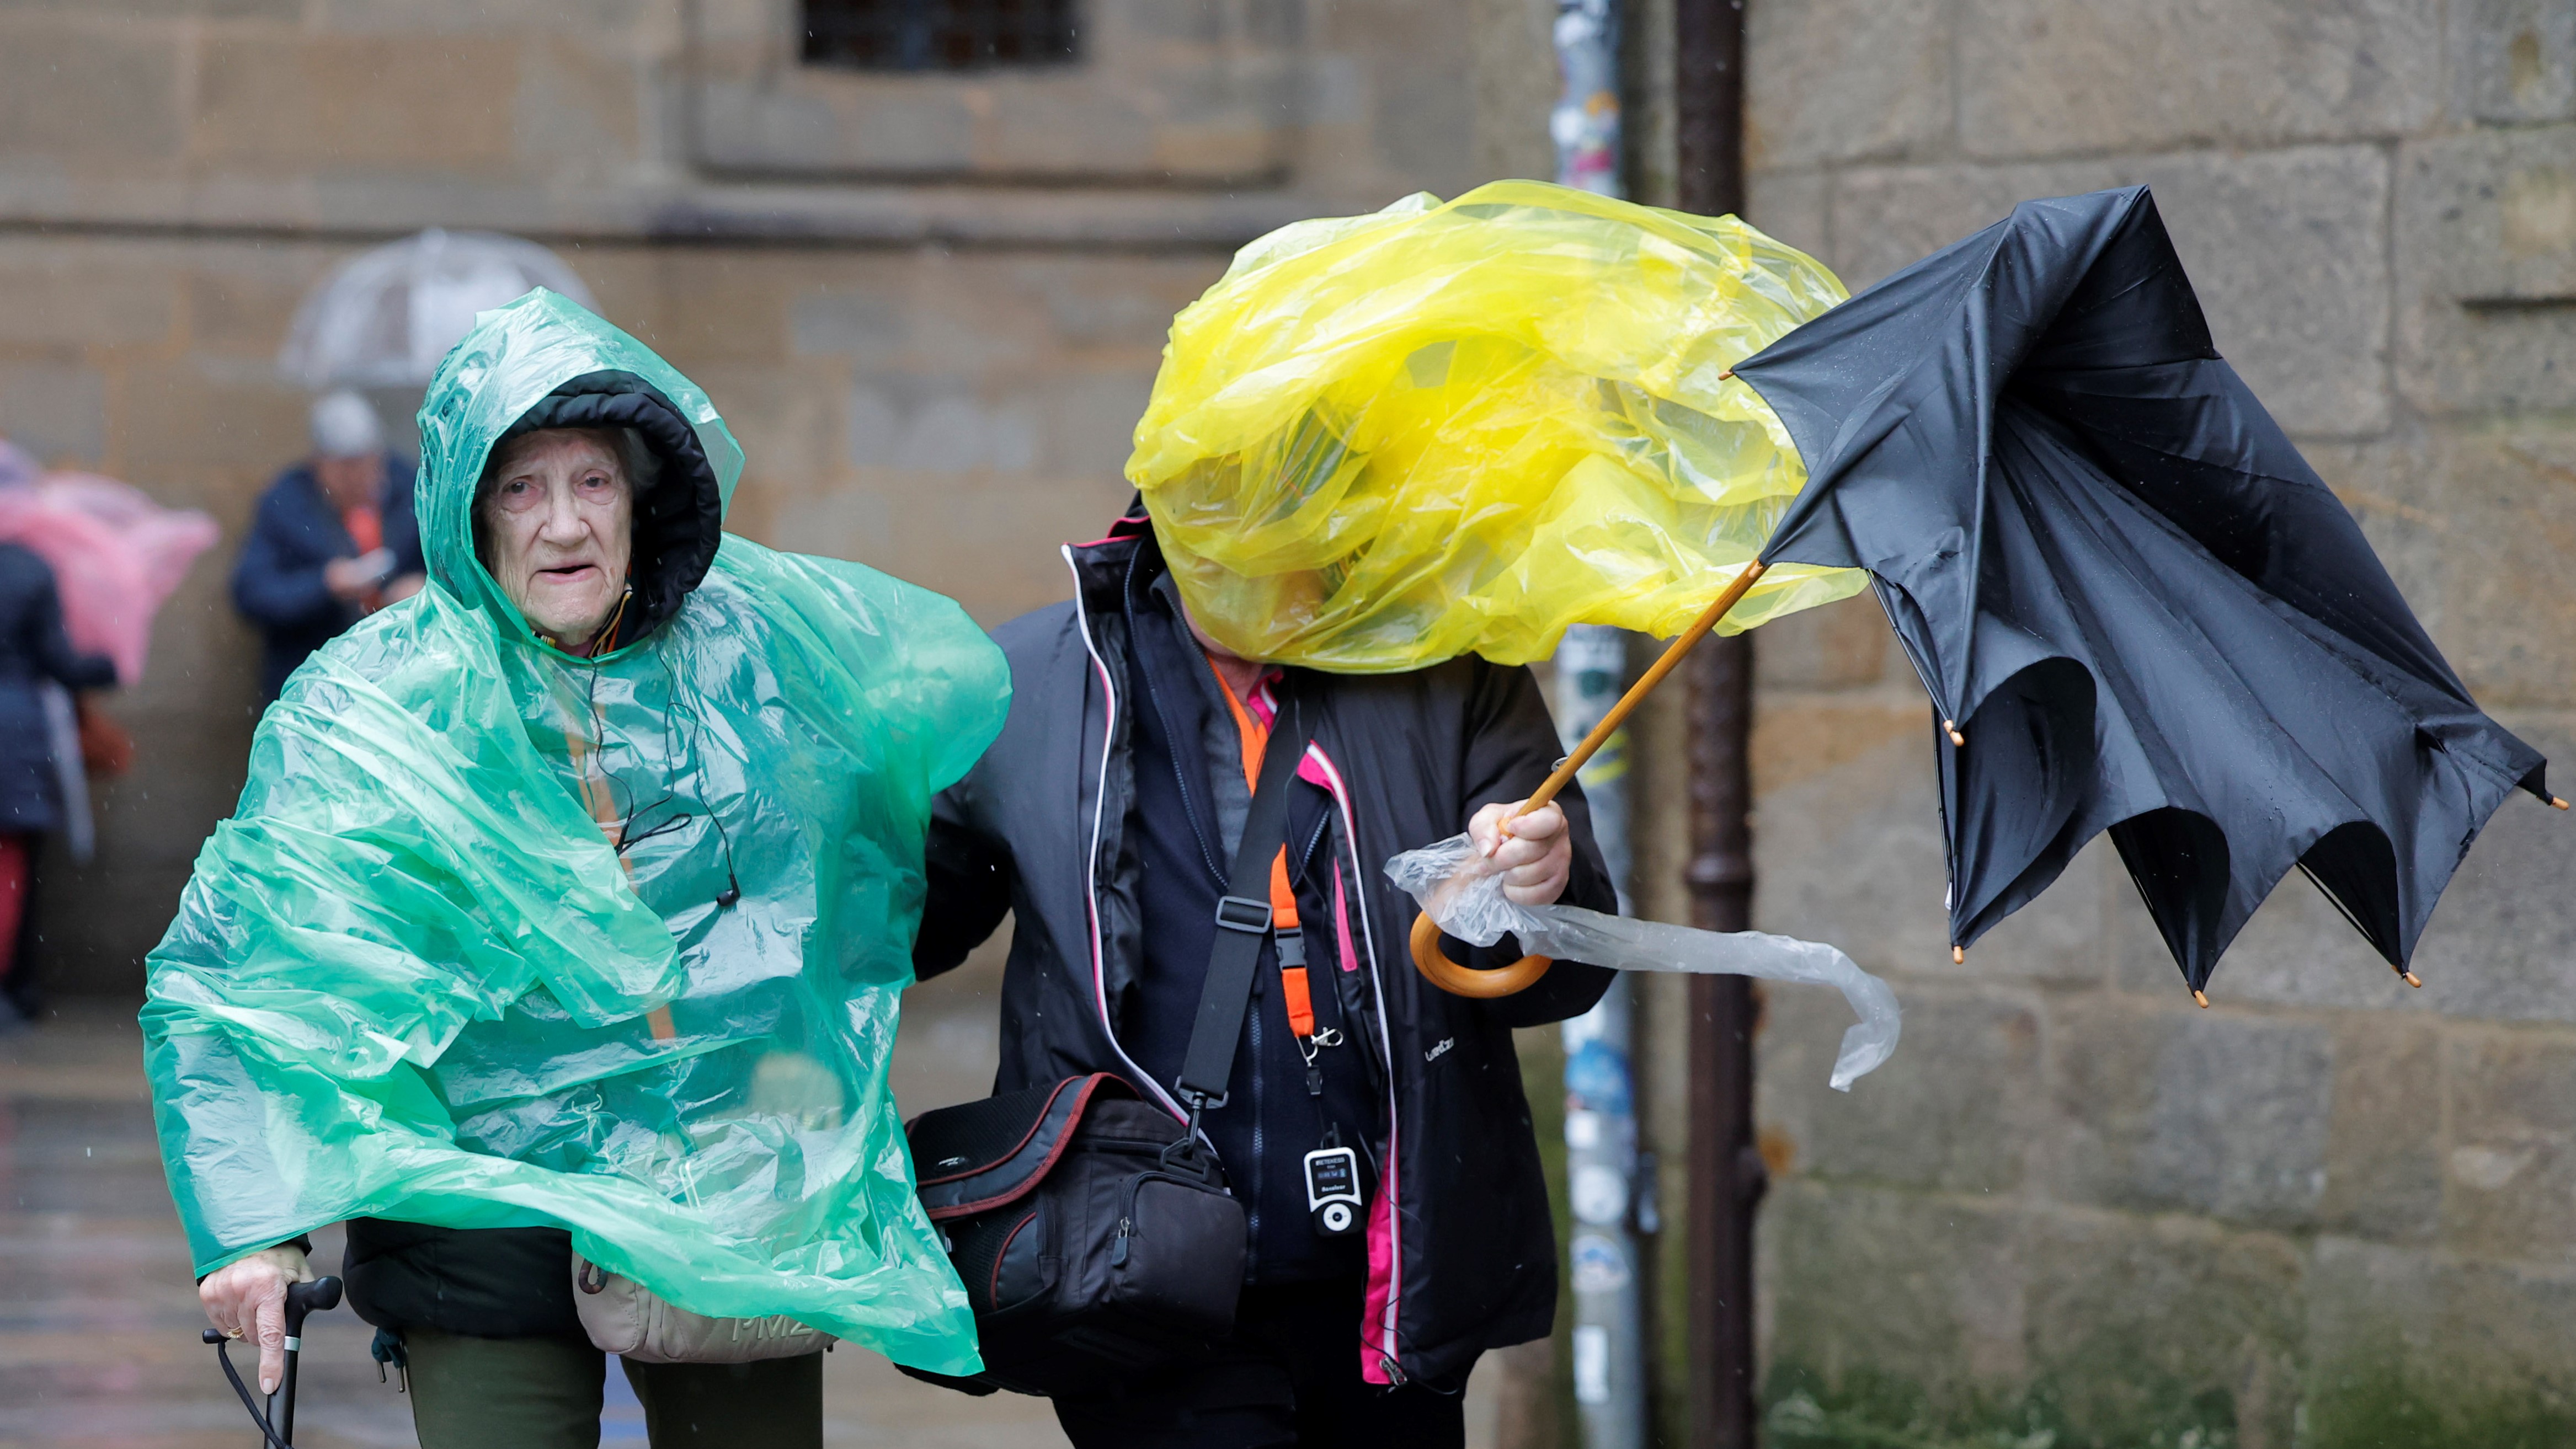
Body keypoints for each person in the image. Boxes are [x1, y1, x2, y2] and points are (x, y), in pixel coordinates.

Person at [158, 293, 1002, 1447]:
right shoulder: (377, 709)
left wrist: (818, 1069)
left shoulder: (754, 655)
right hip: (480, 1231)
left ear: (640, 498)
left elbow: (890, 847)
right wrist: (257, 1227)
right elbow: (255, 972)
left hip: (731, 1201)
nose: (563, 525)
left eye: (592, 481)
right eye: (523, 487)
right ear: (471, 515)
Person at [915, 505, 1618, 1447]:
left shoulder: (1447, 668)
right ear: (1161, 508)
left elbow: (1557, 977)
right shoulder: (1027, 681)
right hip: (1131, 1265)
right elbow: (900, 924)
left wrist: (1533, 887)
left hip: (1390, 1274)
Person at [231, 389, 427, 699]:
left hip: (402, 675)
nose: (357, 478)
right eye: (344, 468)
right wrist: (323, 585)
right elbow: (251, 593)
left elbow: (458, 567)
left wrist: (425, 590)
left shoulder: (415, 492)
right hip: (316, 679)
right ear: (317, 464)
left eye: (366, 464)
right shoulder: (286, 504)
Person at [0, 539, 115, 1022]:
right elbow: (60, 660)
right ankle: (12, 988)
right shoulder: (30, 566)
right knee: (12, 870)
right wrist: (105, 666)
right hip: (16, 734)